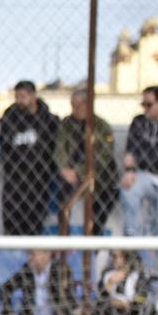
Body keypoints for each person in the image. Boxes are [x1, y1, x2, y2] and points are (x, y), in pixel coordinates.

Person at [120, 85, 158, 262]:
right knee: (129, 187)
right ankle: (132, 240)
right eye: (143, 104)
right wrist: (130, 170)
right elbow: (130, 152)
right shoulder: (139, 122)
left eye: (149, 104)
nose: (145, 109)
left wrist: (142, 158)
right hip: (145, 175)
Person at [0, 81, 59, 236]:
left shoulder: (49, 120)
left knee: (35, 222)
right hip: (14, 178)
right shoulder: (10, 119)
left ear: (33, 96)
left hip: (39, 178)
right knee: (11, 220)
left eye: (23, 96)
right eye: (17, 96)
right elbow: (4, 146)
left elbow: (54, 148)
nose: (19, 100)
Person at [56, 87, 118, 232]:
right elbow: (59, 149)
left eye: (78, 105)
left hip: (99, 176)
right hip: (71, 174)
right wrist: (64, 168)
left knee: (104, 200)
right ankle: (64, 234)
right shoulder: (66, 124)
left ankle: (94, 235)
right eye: (72, 105)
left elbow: (104, 156)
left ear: (88, 104)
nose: (74, 109)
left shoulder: (102, 126)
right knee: (61, 195)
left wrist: (79, 171)